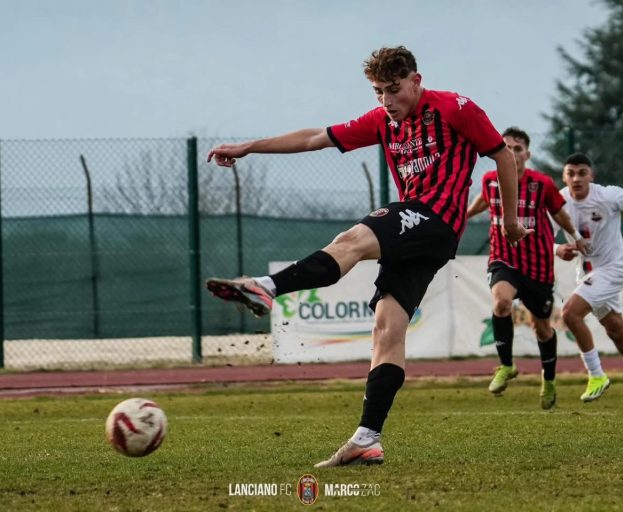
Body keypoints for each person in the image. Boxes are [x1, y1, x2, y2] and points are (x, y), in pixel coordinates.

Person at [205, 46, 531, 467]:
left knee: (352, 240)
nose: (386, 101)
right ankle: (367, 438)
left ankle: (267, 288)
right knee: (387, 330)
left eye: (394, 90)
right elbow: (312, 138)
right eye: (378, 92)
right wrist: (249, 146)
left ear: (416, 80)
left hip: (434, 220)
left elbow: (501, 155)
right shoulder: (381, 121)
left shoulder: (456, 108)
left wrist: (507, 220)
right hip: (417, 233)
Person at [466, 127, 587, 409]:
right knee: (501, 303)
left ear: (527, 154)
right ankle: (506, 365)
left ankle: (550, 379)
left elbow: (561, 215)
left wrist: (577, 239)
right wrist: (458, 218)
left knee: (542, 328)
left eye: (517, 148)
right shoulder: (489, 180)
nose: (512, 153)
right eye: (506, 147)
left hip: (538, 265)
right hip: (503, 259)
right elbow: (481, 202)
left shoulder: (541, 184)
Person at [557, 152, 623, 408]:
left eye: (582, 173)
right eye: (570, 174)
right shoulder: (558, 202)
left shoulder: (606, 195)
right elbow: (543, 236)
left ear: (591, 176)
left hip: (612, 269)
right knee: (615, 329)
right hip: (585, 272)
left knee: (570, 314)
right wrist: (557, 249)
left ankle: (596, 375)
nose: (576, 179)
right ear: (564, 177)